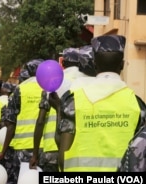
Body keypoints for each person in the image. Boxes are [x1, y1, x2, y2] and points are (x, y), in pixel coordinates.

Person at [48, 34, 146, 172]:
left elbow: (62, 152)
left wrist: (59, 109)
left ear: (94, 65)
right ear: (122, 65)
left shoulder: (73, 101)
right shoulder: (137, 105)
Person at [29, 46, 96, 172]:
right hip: (77, 148)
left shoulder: (53, 81)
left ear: (63, 63)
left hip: (52, 148)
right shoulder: (88, 81)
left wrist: (35, 153)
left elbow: (40, 121)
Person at [0, 59, 44, 184]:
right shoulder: (52, 87)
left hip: (24, 149)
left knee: (24, 183)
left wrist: (3, 152)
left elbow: (10, 123)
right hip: (48, 148)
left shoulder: (20, 90)